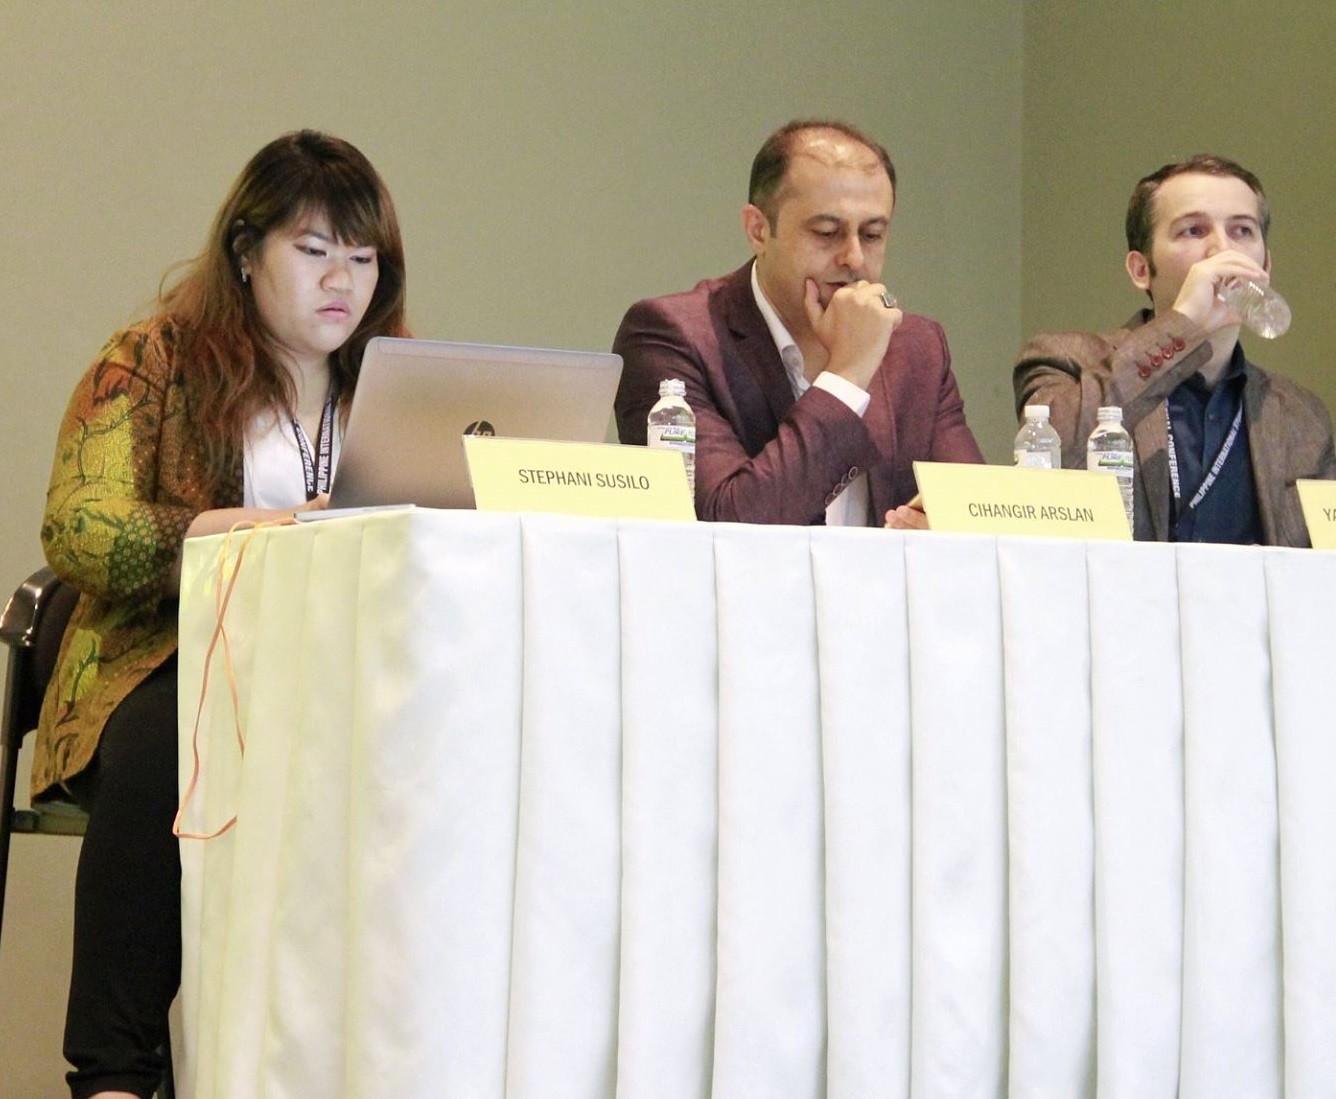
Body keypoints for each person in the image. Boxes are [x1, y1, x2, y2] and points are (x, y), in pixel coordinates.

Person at [35, 130, 408, 1099]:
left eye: (362, 257)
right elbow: (76, 525)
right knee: (179, 740)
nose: (342, 281)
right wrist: (225, 528)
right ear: (246, 252)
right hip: (161, 658)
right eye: (313, 250)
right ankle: (114, 1076)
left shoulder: (396, 383)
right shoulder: (154, 358)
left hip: (336, 673)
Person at [613, 119, 983, 528]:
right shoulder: (671, 337)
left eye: (872, 234)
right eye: (826, 232)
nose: (854, 258)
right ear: (758, 230)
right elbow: (726, 524)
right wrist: (847, 376)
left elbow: (975, 517)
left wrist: (939, 534)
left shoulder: (918, 348)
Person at [1014, 153, 1335, 545]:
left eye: (1242, 231)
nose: (1222, 251)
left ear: (1264, 268)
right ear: (1141, 270)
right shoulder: (1066, 361)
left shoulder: (1300, 414)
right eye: (1194, 231)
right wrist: (1183, 327)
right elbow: (1052, 458)